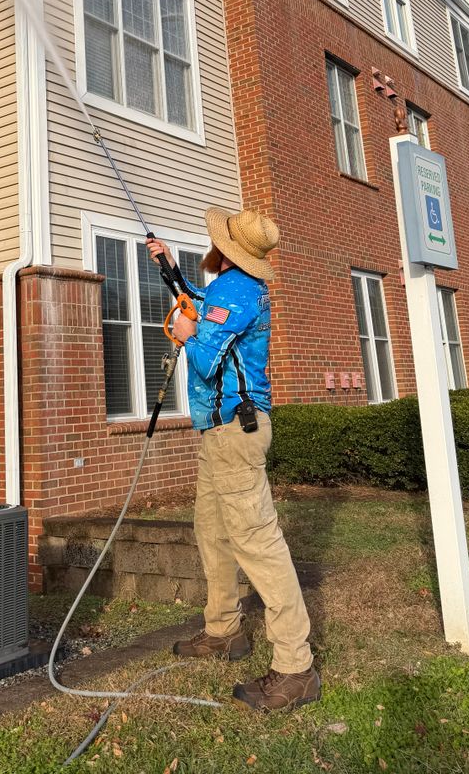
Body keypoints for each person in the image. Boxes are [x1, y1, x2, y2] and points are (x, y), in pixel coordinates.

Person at [147, 206, 320, 712]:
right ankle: (223, 630)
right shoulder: (230, 286)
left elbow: (204, 355)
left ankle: (296, 666)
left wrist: (181, 333)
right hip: (219, 432)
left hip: (235, 430)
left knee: (257, 541)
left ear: (226, 249)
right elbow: (199, 302)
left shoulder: (239, 291)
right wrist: (172, 270)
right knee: (213, 530)